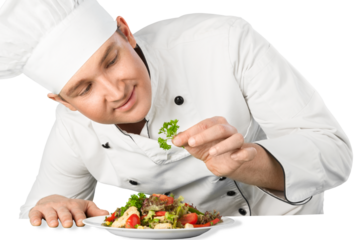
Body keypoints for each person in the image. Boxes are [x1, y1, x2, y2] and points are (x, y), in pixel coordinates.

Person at [1, 0, 352, 227]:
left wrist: (250, 161)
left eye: (111, 60)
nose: (115, 90)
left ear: (126, 32)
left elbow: (336, 154)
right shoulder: (73, 127)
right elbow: (39, 209)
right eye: (84, 89)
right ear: (63, 101)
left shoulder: (223, 41)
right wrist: (52, 207)